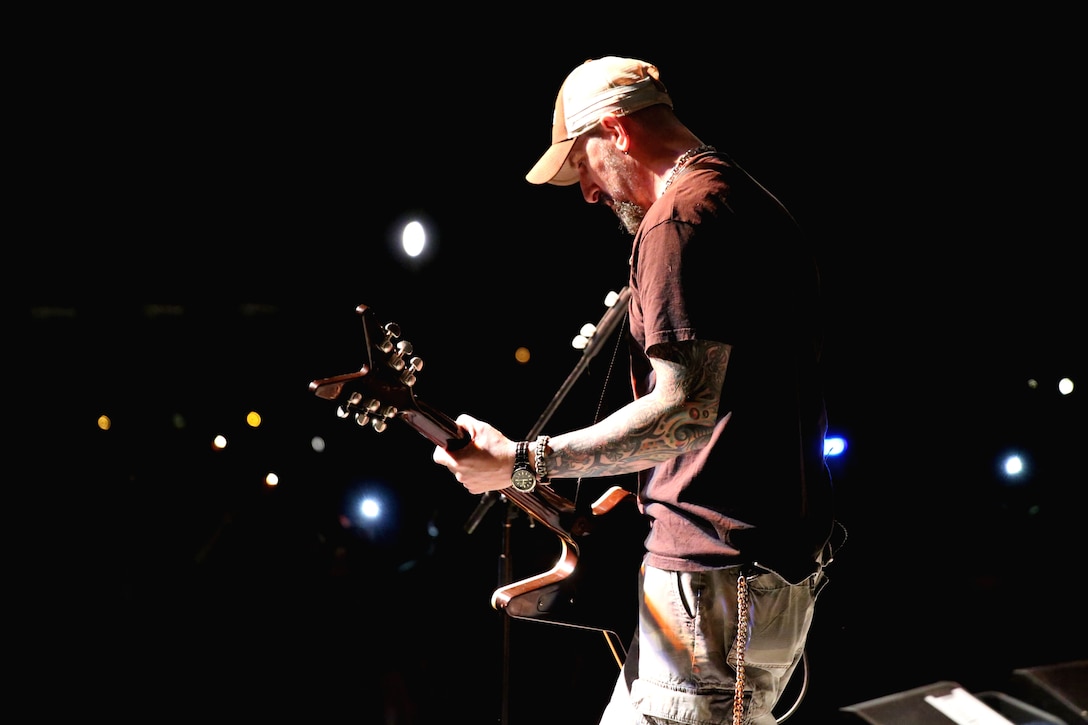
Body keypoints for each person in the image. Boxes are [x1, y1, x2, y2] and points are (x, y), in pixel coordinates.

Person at [432, 56, 838, 725]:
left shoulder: (677, 223)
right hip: (765, 579)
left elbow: (684, 412)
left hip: (711, 582)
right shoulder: (753, 204)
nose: (588, 193)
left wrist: (523, 461)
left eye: (583, 166)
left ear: (616, 131)